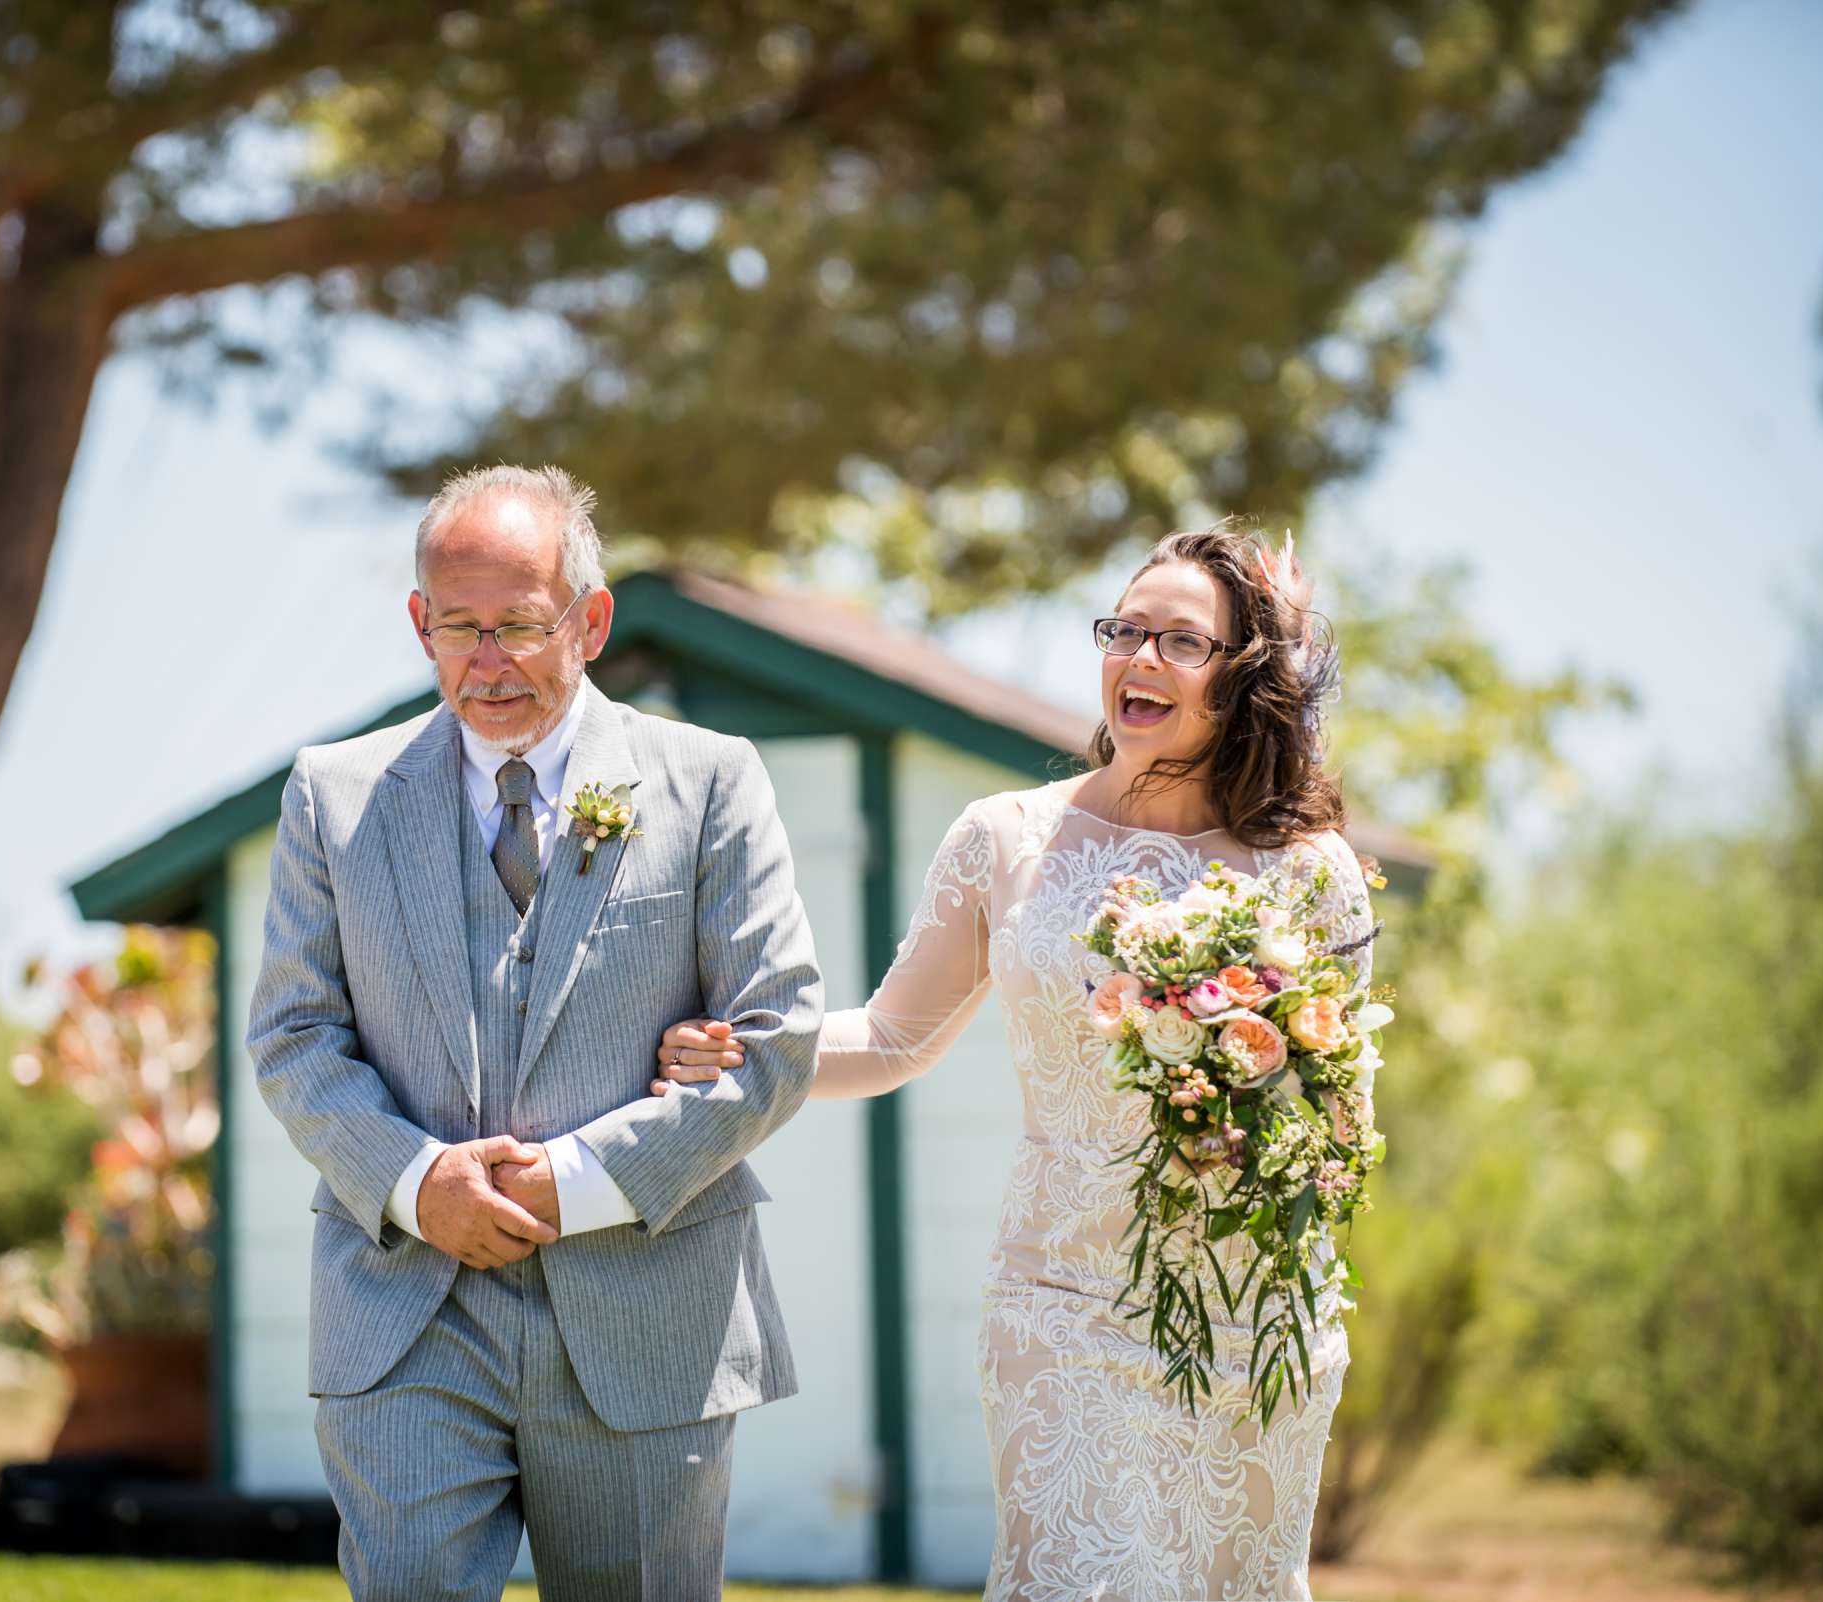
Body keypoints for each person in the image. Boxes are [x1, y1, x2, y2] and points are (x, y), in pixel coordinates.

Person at [655, 524, 1378, 1600]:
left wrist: (1247, 1116)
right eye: (1124, 630)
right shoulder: (1007, 838)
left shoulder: (1310, 872)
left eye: (1181, 641)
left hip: (1254, 1317)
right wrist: (749, 1055)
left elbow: (1343, 1125)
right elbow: (896, 1038)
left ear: (1245, 678)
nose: (1139, 658)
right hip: (1065, 1301)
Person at [247, 464, 823, 1601]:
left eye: (519, 625)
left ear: (590, 620)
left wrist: (571, 1184)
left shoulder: (710, 783)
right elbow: (295, 1034)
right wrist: (419, 1183)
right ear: (420, 623)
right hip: (405, 1306)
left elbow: (775, 1035)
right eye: (459, 627)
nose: (488, 660)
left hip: (649, 1311)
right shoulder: (333, 795)